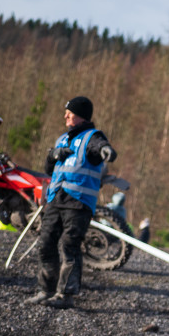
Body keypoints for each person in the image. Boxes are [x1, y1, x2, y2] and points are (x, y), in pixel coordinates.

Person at [25, 96, 117, 309]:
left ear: (82, 116)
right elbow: (49, 169)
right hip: (56, 200)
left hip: (78, 203)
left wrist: (106, 151)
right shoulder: (62, 140)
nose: (65, 115)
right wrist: (53, 155)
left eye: (70, 113)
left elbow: (100, 147)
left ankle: (65, 295)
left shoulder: (92, 137)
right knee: (45, 243)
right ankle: (45, 290)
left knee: (69, 247)